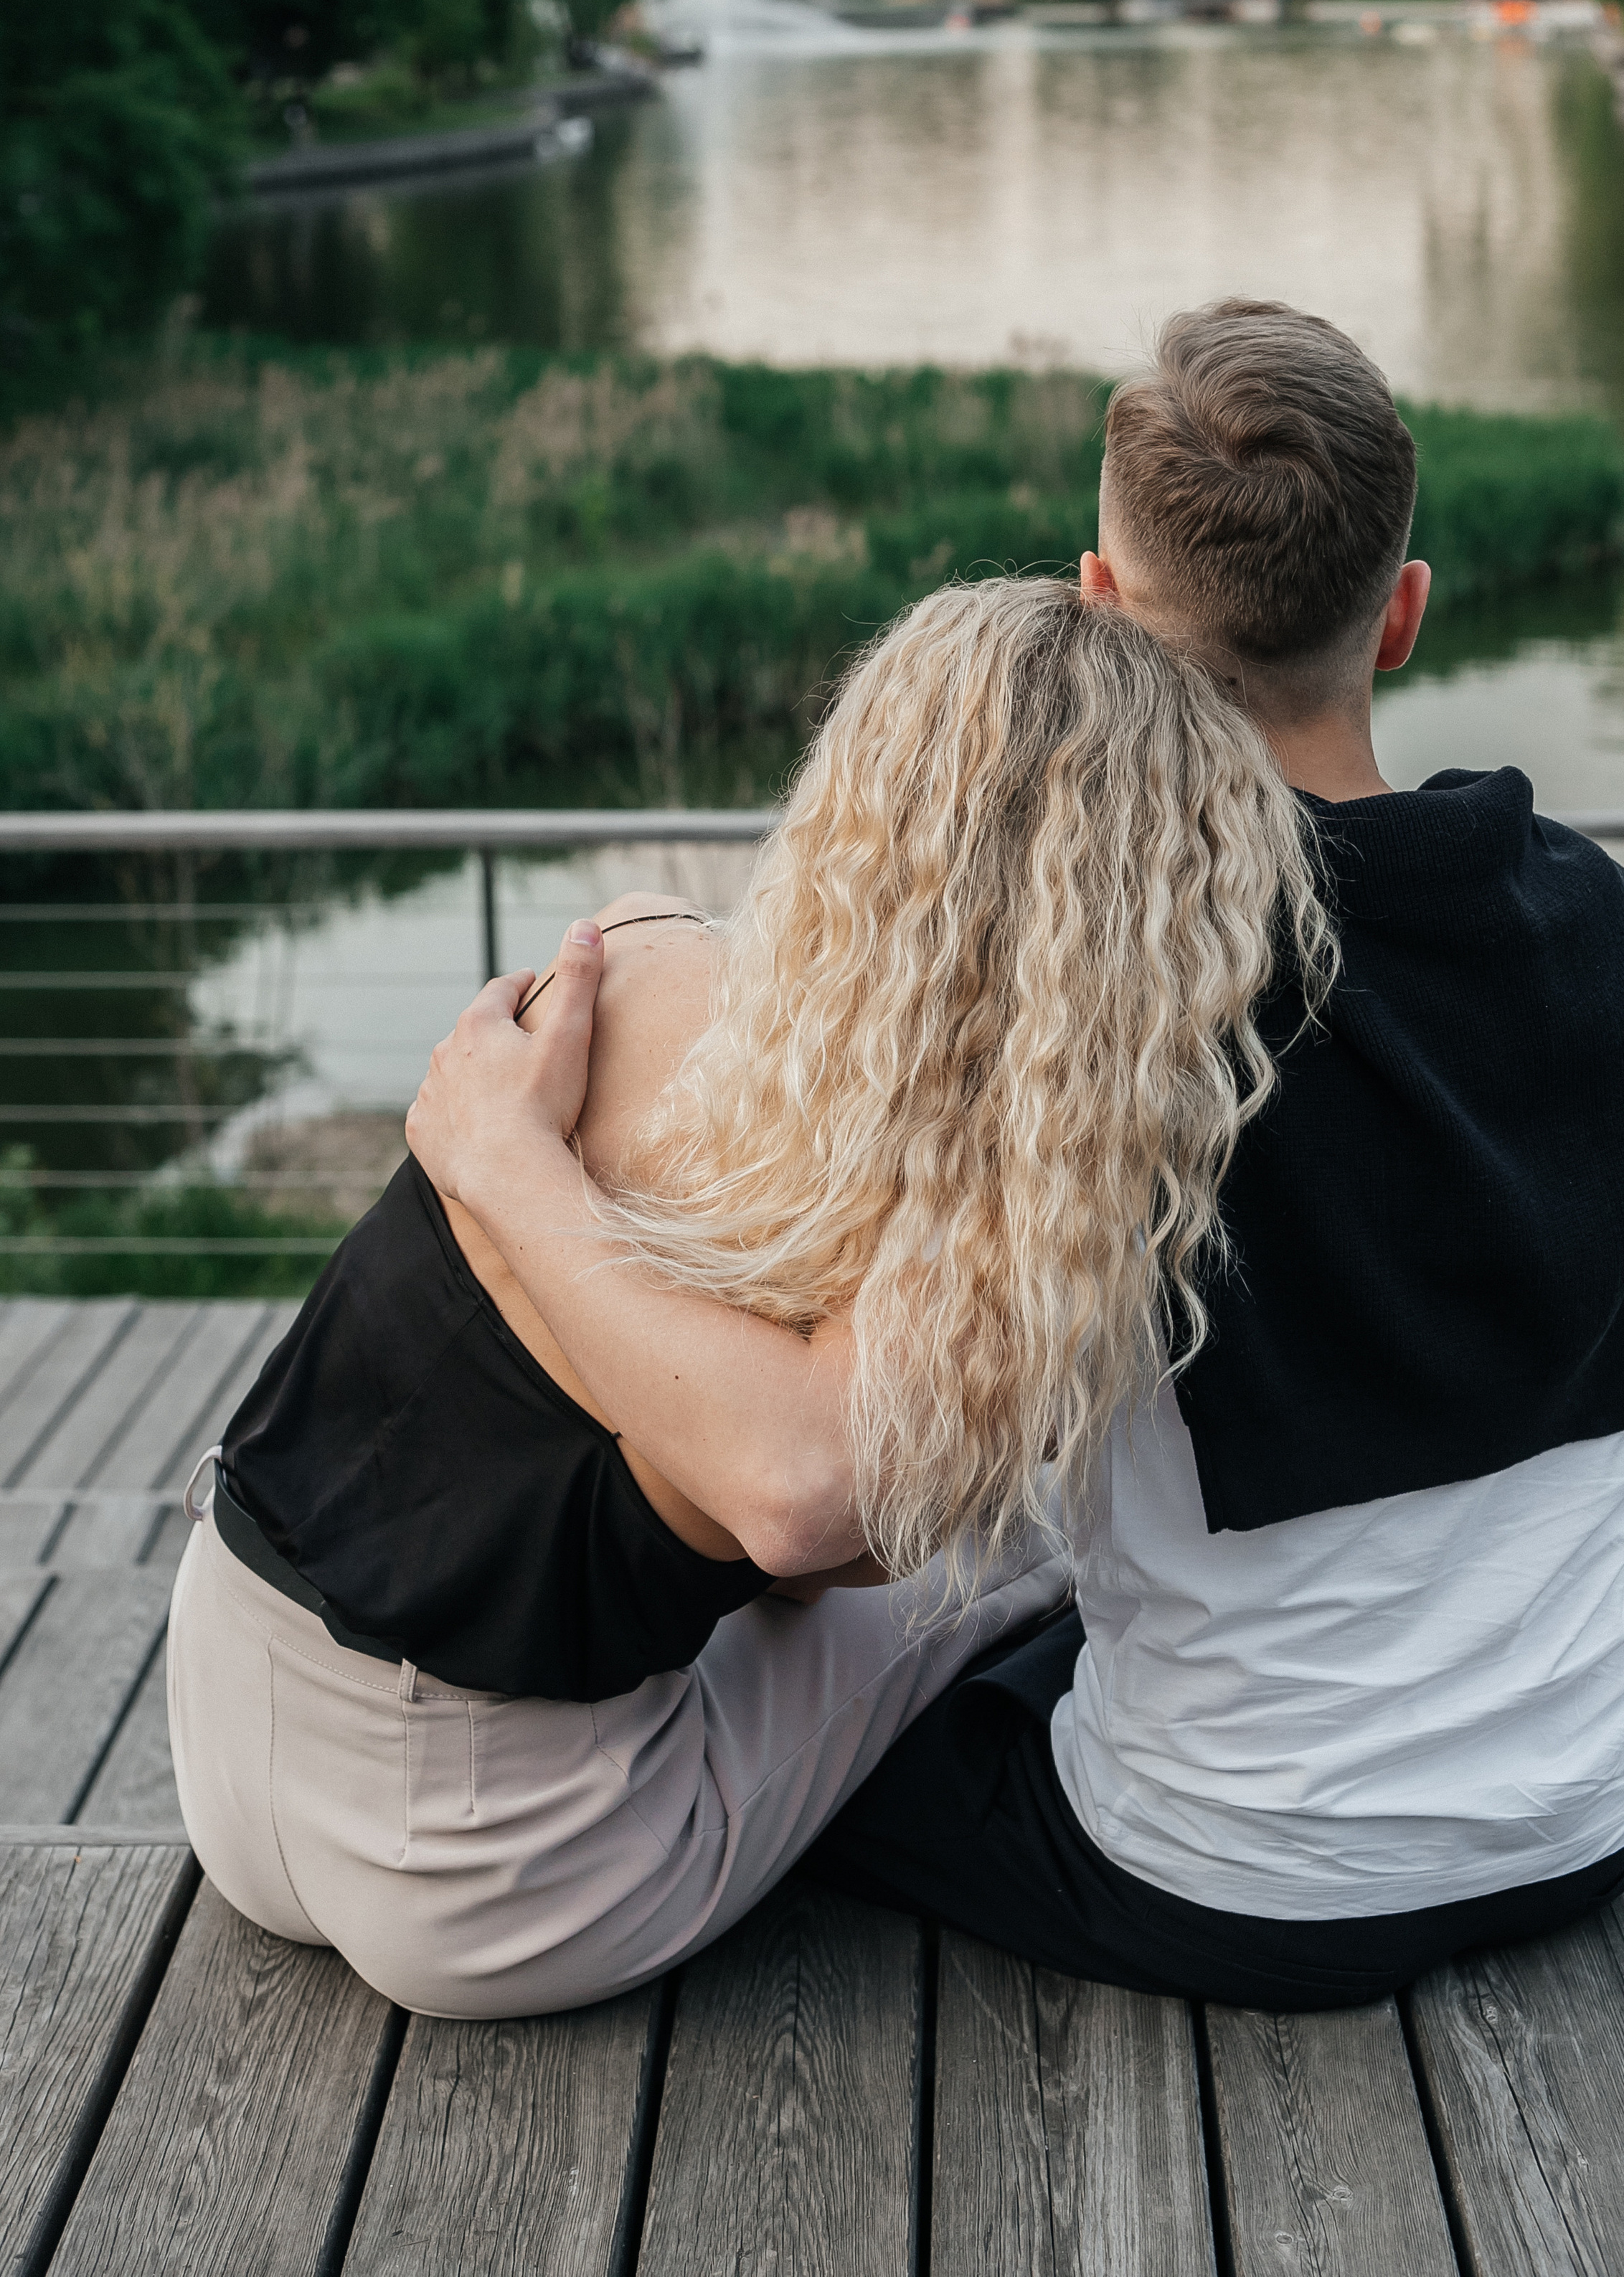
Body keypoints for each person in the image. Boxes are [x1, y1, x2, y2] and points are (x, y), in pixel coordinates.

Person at [422, 297, 1624, 2012]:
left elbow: (820, 1490)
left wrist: (505, 1169)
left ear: (1095, 610)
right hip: (1604, 1792)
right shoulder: (1615, 929)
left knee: (789, 1717)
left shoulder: (1102, 1022)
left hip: (1244, 1880)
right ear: (1398, 615)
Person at [166, 572, 1327, 2017]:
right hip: (495, 1875)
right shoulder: (956, 1246)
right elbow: (804, 1519)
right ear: (1141, 928)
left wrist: (508, 1162)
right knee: (1023, 1547)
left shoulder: (637, 949)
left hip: (218, 1705)